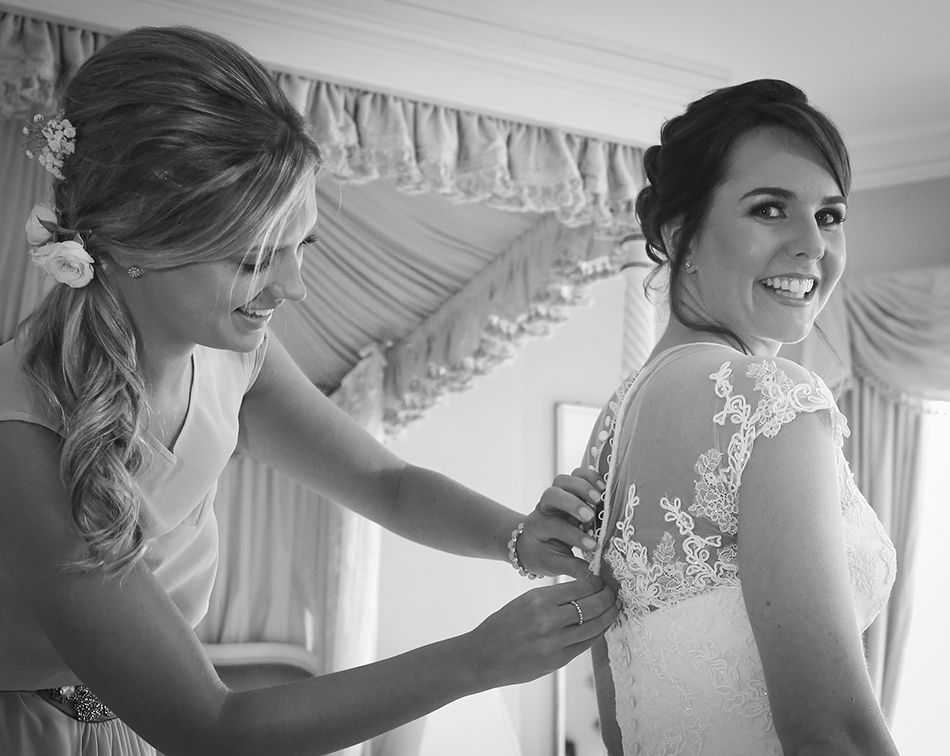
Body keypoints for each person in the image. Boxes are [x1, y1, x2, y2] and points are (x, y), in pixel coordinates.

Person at [0, 26, 620, 756]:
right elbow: (208, 727)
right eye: (255, 259)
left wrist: (516, 538)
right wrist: (478, 661)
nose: (292, 287)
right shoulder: (25, 435)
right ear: (135, 242)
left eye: (303, 247)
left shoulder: (235, 358)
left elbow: (386, 484)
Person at [582, 80, 899, 755]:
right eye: (770, 209)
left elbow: (616, 720)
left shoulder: (615, 422)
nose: (812, 245)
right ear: (682, 237)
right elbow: (832, 731)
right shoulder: (769, 401)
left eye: (830, 215)